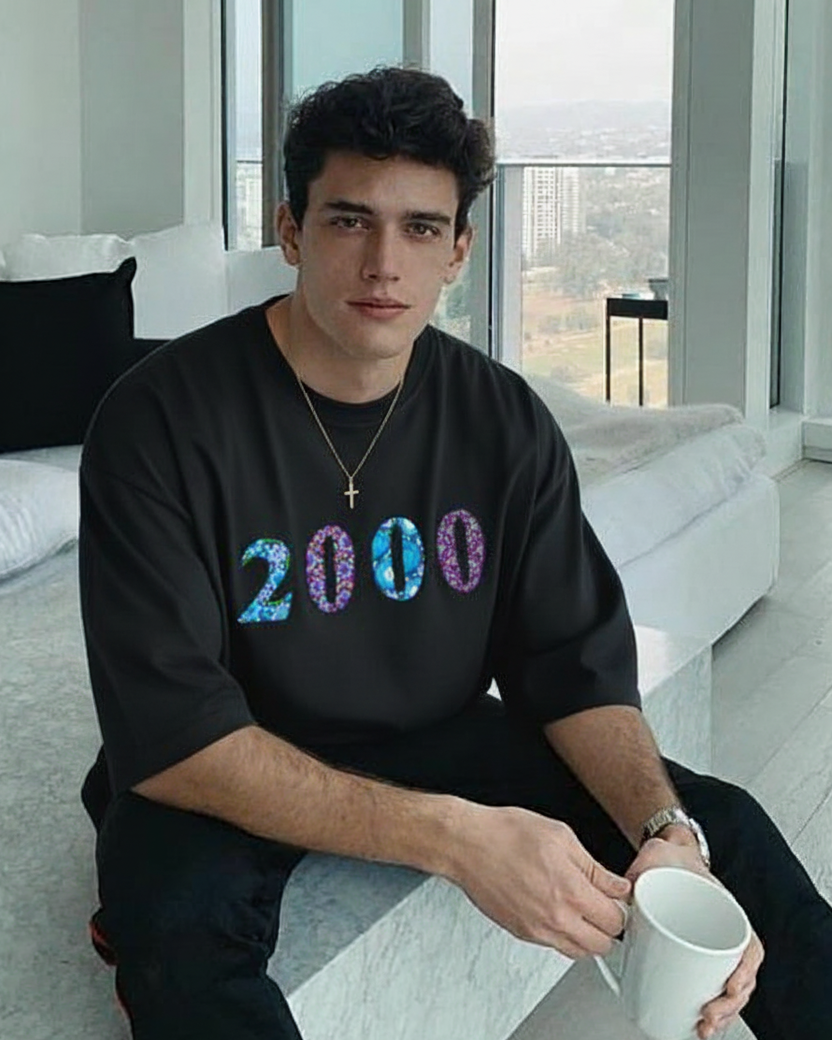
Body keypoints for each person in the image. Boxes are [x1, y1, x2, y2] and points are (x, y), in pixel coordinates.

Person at [79, 66, 832, 1040]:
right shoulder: (158, 418)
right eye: (349, 220)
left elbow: (571, 664)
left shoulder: (504, 419)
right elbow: (177, 735)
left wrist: (665, 833)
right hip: (225, 752)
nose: (384, 263)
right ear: (291, 230)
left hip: (432, 727)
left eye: (421, 227)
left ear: (459, 248)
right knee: (182, 946)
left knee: (725, 832)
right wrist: (455, 836)